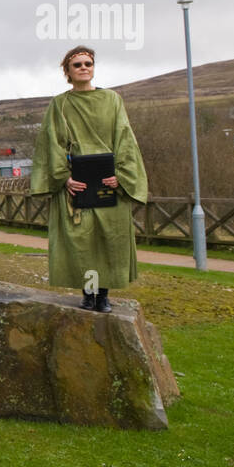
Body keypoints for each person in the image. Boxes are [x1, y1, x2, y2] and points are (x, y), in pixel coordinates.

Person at [29, 45, 148, 312]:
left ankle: (103, 296)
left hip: (109, 181)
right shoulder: (60, 104)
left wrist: (122, 176)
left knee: (109, 239)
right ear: (67, 72)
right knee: (82, 239)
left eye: (88, 64)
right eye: (78, 65)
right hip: (76, 183)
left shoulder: (112, 100)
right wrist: (63, 178)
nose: (84, 68)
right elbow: (52, 143)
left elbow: (125, 140)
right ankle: (88, 293)